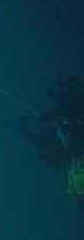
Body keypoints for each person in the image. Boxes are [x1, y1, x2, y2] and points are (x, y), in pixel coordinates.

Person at [18, 76, 84, 211]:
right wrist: (24, 131)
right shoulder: (62, 130)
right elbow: (45, 144)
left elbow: (70, 110)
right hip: (75, 172)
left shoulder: (73, 117)